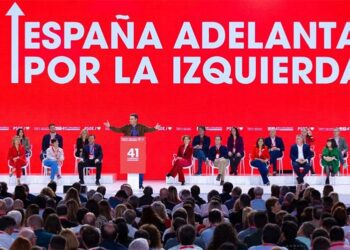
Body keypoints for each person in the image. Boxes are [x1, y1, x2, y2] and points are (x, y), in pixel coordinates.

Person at [104, 113, 161, 189]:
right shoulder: (126, 127)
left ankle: (140, 184)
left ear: (136, 119)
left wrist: (155, 128)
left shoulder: (141, 127)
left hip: (139, 150)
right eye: (129, 119)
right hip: (128, 150)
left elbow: (149, 129)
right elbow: (118, 130)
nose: (130, 120)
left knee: (140, 168)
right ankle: (131, 184)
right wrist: (110, 126)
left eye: (131, 119)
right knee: (130, 168)